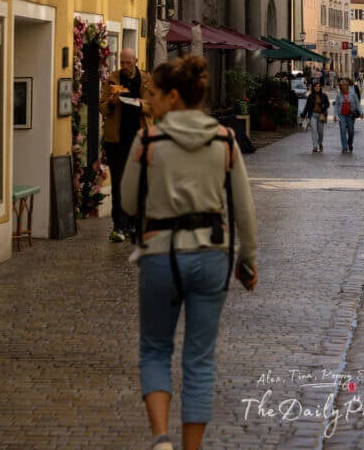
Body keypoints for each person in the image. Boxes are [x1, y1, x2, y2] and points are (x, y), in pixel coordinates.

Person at [121, 55, 257, 450]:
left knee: (155, 348)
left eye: (156, 95)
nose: (151, 102)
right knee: (199, 359)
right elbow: (244, 210)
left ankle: (161, 439)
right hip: (211, 254)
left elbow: (129, 202)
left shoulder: (148, 140)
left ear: (174, 97)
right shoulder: (225, 139)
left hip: (161, 254)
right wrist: (247, 261)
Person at [99, 47, 152, 242]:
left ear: (136, 61)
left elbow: (154, 106)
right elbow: (101, 106)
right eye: (122, 63)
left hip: (139, 139)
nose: (125, 66)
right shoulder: (112, 79)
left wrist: (141, 104)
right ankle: (119, 226)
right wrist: (111, 103)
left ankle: (134, 225)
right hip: (117, 141)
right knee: (119, 184)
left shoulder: (145, 80)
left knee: (138, 183)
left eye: (128, 63)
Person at [333, 77, 362, 153]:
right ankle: (344, 147)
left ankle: (350, 143)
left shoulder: (353, 94)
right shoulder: (339, 95)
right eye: (342, 86)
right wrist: (335, 115)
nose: (344, 87)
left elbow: (357, 103)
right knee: (342, 130)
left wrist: (361, 112)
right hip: (341, 115)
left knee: (351, 131)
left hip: (350, 115)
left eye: (345, 85)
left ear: (347, 86)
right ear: (340, 87)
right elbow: (336, 105)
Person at [300, 80, 330, 152]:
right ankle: (315, 146)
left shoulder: (324, 95)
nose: (317, 88)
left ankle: (320, 143)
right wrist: (303, 114)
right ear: (313, 88)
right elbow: (307, 106)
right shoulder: (310, 96)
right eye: (316, 86)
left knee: (320, 132)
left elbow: (327, 104)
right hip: (313, 115)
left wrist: (323, 105)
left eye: (318, 86)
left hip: (321, 115)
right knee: (314, 130)